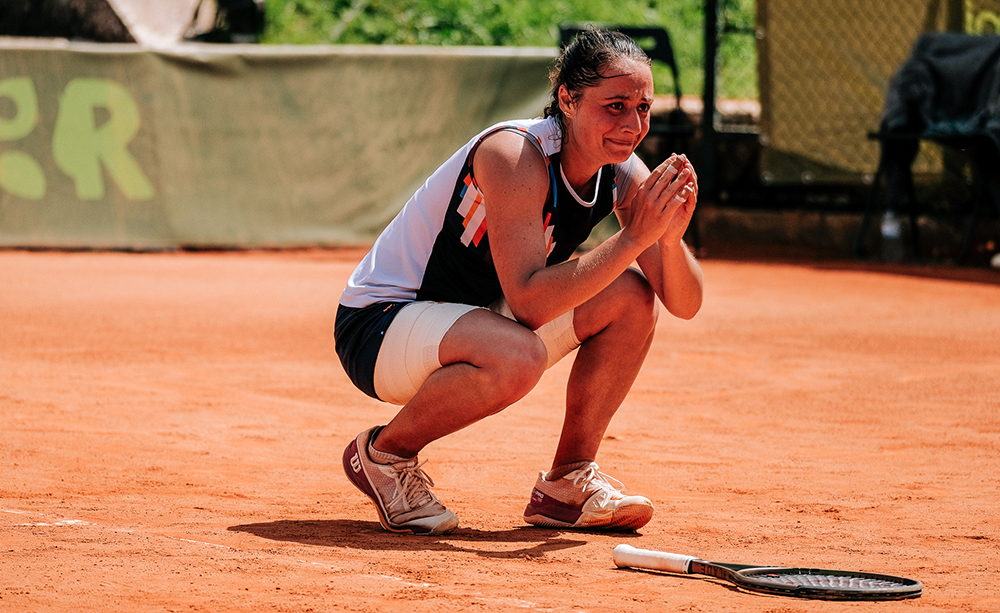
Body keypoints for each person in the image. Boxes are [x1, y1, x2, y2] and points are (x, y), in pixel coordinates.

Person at [334, 28, 703, 536]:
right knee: (519, 353)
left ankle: (567, 483)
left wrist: (666, 240)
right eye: (615, 105)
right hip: (378, 328)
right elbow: (529, 304)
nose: (632, 123)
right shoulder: (514, 154)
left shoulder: (618, 169)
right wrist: (635, 237)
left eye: (643, 107)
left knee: (634, 298)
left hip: (475, 321)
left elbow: (684, 303)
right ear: (568, 100)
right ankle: (385, 455)